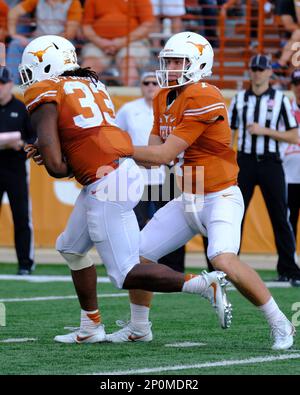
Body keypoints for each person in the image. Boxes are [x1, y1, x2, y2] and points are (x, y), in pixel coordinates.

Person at [22, 34, 232, 344]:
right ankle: (91, 326)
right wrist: (58, 152)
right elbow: (81, 138)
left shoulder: (46, 89)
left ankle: (203, 284)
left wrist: (47, 152)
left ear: (47, 65)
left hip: (106, 183)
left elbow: (57, 168)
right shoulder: (90, 82)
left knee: (125, 272)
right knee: (70, 247)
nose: (27, 78)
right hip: (118, 172)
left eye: (30, 70)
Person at [106, 32, 295, 351]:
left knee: (221, 258)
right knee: (136, 256)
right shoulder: (162, 96)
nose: (171, 67)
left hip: (219, 196)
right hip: (187, 197)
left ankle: (280, 322)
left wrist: (115, 147)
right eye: (168, 61)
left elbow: (164, 155)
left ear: (199, 63)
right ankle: (139, 327)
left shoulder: (204, 95)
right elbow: (154, 158)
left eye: (179, 61)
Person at [230, 54, 300, 286]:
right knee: (234, 215)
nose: (257, 72)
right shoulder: (239, 99)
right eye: (254, 68)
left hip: (271, 162)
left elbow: (293, 135)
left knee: (280, 216)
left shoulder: (281, 100)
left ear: (270, 72)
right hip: (245, 162)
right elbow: (229, 135)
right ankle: (230, 268)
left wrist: (265, 131)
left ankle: (289, 269)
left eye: (261, 69)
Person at [116, 71, 185, 272]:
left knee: (172, 221)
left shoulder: (171, 107)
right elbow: (116, 136)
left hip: (167, 174)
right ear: (141, 85)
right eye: (146, 82)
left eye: (155, 82)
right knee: (134, 222)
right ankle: (132, 265)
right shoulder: (129, 109)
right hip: (138, 175)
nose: (151, 86)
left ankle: (173, 268)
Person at [0, 65, 36, 275]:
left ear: (10, 85)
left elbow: (33, 139)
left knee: (21, 217)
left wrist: (21, 144)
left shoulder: (21, 108)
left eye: (2, 84)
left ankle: (25, 263)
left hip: (15, 168)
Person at [6, 0, 82, 83]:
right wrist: (13, 34)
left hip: (61, 43)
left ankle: (50, 86)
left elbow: (70, 34)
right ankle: (11, 85)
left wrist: (43, 43)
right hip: (37, 40)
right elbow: (13, 13)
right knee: (16, 44)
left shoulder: (73, 2)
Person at [81, 0, 154, 86]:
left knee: (128, 63)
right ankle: (80, 95)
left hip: (133, 42)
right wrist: (101, 42)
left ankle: (129, 95)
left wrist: (122, 41)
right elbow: (86, 26)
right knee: (89, 65)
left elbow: (147, 24)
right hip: (98, 43)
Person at [283, 69, 300, 245]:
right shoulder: (285, 108)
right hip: (288, 176)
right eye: (296, 83)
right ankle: (291, 265)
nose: (299, 87)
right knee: (289, 222)